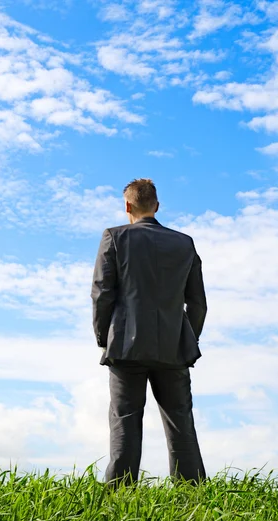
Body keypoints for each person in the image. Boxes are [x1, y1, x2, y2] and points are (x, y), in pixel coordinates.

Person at [91, 178, 207, 489]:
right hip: (173, 347)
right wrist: (185, 336)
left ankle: (118, 499)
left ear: (127, 206)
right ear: (156, 206)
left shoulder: (113, 237)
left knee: (125, 422)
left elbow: (103, 293)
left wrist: (105, 338)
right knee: (181, 422)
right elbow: (197, 302)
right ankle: (193, 499)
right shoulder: (184, 243)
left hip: (126, 347)